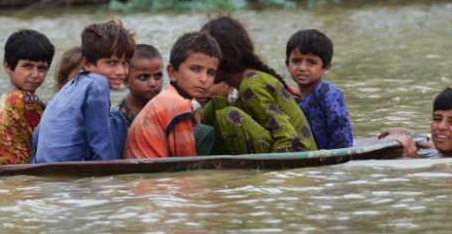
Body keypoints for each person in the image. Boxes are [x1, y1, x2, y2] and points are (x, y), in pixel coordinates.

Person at [200, 15, 317, 155]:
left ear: (225, 56)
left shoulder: (252, 86)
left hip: (299, 154)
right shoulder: (246, 83)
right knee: (213, 107)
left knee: (229, 115)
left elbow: (289, 140)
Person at [32, 20, 135, 163]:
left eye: (125, 63)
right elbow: (101, 141)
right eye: (112, 63)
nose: (121, 71)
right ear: (87, 64)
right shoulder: (99, 83)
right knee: (117, 119)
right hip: (74, 167)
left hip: (44, 165)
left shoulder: (66, 89)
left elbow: (38, 134)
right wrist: (110, 179)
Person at [124, 31, 221, 159]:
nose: (204, 79)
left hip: (140, 174)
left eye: (210, 73)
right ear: (172, 72)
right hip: (150, 176)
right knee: (207, 133)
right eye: (195, 69)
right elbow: (187, 164)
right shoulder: (178, 105)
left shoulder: (167, 97)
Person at [0, 29, 54, 166]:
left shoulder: (4, 101)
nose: (36, 74)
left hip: (8, 181)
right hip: (24, 180)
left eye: (42, 68)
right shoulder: (22, 101)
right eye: (28, 66)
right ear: (8, 66)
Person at [286, 29, 353, 149]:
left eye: (311, 62)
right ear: (287, 64)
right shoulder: (290, 99)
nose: (302, 68)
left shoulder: (328, 93)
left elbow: (342, 134)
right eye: (296, 61)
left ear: (326, 67)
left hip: (332, 157)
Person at [379, 88, 452, 158]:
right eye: (437, 119)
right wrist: (408, 134)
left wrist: (408, 161)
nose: (441, 126)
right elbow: (431, 145)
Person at [116, 44, 164, 125]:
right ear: (126, 81)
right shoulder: (119, 118)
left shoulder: (166, 108)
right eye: (143, 77)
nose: (152, 83)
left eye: (157, 76)